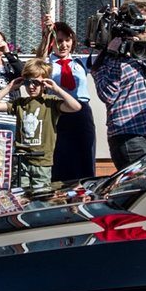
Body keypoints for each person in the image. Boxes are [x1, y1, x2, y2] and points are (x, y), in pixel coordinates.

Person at [90, 0, 146, 170]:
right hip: (127, 136)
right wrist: (115, 55)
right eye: (140, 22)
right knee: (141, 186)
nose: (145, 27)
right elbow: (108, 95)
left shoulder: (145, 49)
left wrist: (140, 53)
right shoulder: (106, 58)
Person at [0, 58, 80, 193]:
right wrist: (9, 87)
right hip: (22, 160)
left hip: (42, 161)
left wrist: (56, 89)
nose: (31, 86)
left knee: (41, 198)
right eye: (28, 83)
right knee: (20, 197)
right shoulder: (20, 103)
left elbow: (76, 107)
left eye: (36, 83)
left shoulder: (50, 103)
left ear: (45, 83)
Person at [42, 15, 97, 181]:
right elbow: (37, 64)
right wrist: (46, 35)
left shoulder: (80, 62)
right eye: (59, 40)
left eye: (67, 40)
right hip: (58, 112)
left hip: (81, 112)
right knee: (61, 155)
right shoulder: (47, 63)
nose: (64, 45)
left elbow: (104, 52)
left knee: (85, 153)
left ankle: (83, 190)